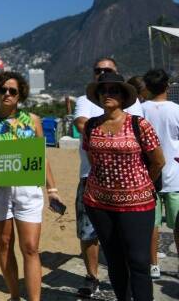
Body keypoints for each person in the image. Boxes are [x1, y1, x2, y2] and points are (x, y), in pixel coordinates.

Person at [0, 71, 62, 301]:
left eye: (13, 90)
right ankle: (14, 296)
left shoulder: (33, 121)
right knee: (5, 245)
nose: (7, 94)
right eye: (3, 90)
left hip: (28, 189)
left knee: (30, 247)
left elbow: (42, 157)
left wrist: (52, 190)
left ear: (20, 94)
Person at [82, 72, 165, 301]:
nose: (107, 94)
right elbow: (93, 161)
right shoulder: (90, 126)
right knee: (115, 261)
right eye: (103, 90)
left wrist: (140, 184)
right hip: (99, 203)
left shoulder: (139, 124)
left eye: (113, 90)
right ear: (98, 96)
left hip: (137, 204)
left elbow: (158, 161)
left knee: (138, 261)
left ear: (123, 95)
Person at [73, 57, 144, 298]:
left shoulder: (134, 108)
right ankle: (92, 276)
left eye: (108, 71)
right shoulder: (84, 101)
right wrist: (107, 131)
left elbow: (151, 150)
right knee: (88, 233)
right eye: (98, 71)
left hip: (132, 189)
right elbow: (81, 123)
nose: (102, 74)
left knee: (131, 247)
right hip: (91, 180)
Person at [142, 68, 179, 279]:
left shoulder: (141, 110)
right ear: (167, 86)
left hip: (148, 176)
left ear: (146, 88)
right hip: (175, 175)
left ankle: (153, 265)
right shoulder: (176, 110)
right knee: (178, 225)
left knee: (151, 226)